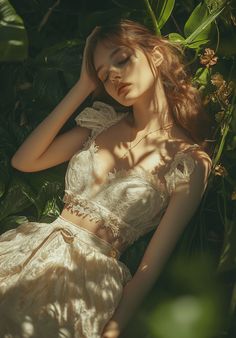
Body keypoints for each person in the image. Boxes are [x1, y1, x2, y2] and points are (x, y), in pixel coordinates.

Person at [0, 19, 212, 338]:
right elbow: (25, 160)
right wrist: (83, 86)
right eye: (103, 74)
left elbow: (148, 270)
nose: (113, 75)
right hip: (27, 255)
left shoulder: (189, 163)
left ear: (155, 55)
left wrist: (112, 331)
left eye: (122, 59)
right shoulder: (101, 123)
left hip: (85, 288)